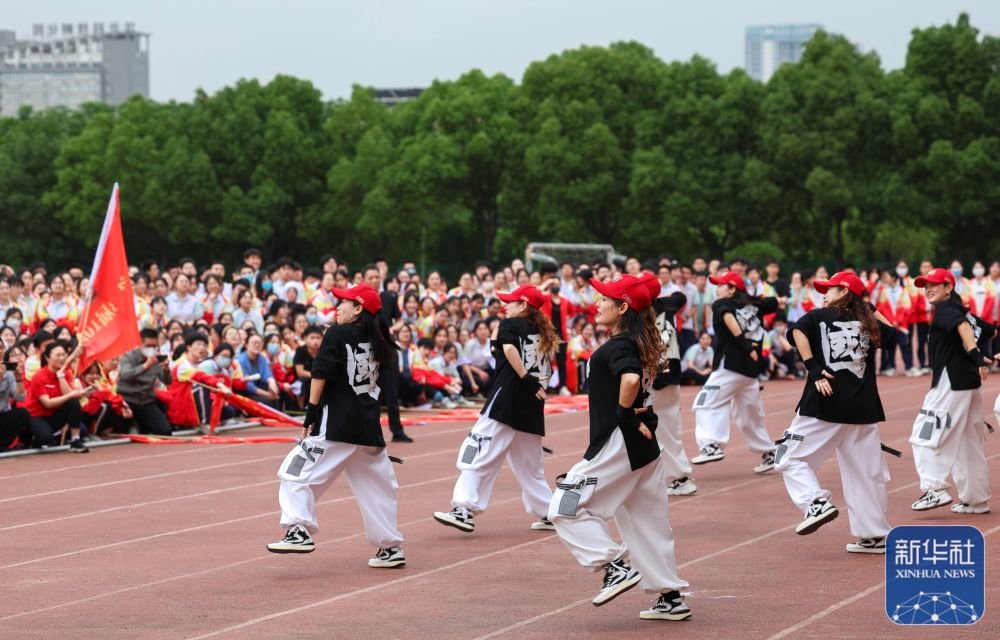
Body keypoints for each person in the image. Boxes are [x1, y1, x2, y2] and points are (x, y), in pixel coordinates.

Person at [548, 274, 690, 621]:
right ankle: (670, 597)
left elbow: (628, 379)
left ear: (623, 307)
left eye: (605, 299)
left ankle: (614, 566)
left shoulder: (621, 345)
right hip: (643, 445)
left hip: (619, 441)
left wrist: (624, 414)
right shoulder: (637, 342)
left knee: (563, 506)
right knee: (648, 522)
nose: (597, 303)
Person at [267, 283, 406, 569]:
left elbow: (320, 374)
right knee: (377, 489)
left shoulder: (338, 334)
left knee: (294, 472)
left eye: (343, 301)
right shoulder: (379, 338)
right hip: (368, 427)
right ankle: (390, 547)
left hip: (338, 423)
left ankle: (298, 530)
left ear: (357, 309)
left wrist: (311, 413)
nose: (337, 306)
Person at [774, 271, 894, 554]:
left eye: (829, 289)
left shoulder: (819, 316)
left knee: (787, 456)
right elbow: (894, 332)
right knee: (865, 473)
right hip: (864, 408)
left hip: (826, 403)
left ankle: (815, 502)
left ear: (843, 291)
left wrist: (813, 367)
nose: (823, 294)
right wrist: (867, 307)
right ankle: (875, 534)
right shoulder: (868, 322)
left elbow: (796, 332)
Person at [433, 284, 559, 534]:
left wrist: (524, 377)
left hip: (506, 402)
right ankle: (549, 511)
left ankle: (463, 509)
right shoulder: (542, 332)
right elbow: (505, 354)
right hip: (532, 405)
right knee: (530, 467)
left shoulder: (509, 325)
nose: (505, 305)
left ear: (523, 306)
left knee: (475, 452)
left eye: (510, 302)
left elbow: (510, 349)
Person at [909, 267, 994, 515]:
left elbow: (964, 330)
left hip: (952, 381)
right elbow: (989, 330)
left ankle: (934, 488)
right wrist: (980, 355)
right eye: (925, 285)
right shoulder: (964, 313)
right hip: (968, 384)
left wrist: (977, 356)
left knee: (923, 433)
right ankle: (976, 499)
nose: (928, 289)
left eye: (934, 284)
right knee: (967, 442)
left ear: (949, 287)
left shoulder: (947, 310)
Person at [690, 271, 777, 473]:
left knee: (705, 403)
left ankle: (711, 445)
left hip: (730, 366)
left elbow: (729, 319)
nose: (716, 289)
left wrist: (745, 346)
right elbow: (772, 302)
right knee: (748, 414)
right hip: (750, 371)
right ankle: (769, 452)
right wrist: (756, 298)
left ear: (731, 289)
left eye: (720, 285)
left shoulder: (721, 304)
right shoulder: (755, 306)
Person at [639, 272, 696, 497]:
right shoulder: (668, 306)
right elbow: (680, 297)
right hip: (672, 375)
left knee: (637, 426)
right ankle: (678, 476)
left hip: (656, 378)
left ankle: (679, 476)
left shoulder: (640, 315)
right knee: (667, 430)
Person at [26, 341, 88, 452]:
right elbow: (47, 403)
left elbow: (69, 395)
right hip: (38, 415)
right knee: (46, 438)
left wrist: (61, 377)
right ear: (48, 358)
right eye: (58, 355)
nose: (62, 358)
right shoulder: (39, 376)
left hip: (55, 414)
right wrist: (71, 394)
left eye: (64, 355)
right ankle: (34, 437)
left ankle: (75, 441)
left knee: (73, 402)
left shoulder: (66, 373)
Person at [117, 329, 173, 435]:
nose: (151, 349)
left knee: (165, 431)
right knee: (125, 431)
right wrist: (145, 366)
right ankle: (133, 425)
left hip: (146, 400)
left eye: (154, 346)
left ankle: (141, 425)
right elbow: (125, 375)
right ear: (140, 343)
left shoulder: (157, 358)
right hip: (128, 400)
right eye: (148, 346)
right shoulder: (128, 357)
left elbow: (167, 381)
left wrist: (166, 370)